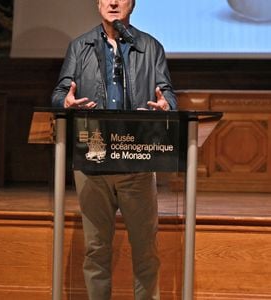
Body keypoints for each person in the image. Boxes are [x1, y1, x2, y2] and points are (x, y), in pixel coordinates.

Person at [51, 0, 177, 299]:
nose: (113, 2)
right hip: (93, 162)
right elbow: (59, 93)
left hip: (136, 162)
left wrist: (166, 106)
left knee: (146, 251)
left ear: (132, 4)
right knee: (96, 251)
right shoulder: (80, 46)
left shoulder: (150, 47)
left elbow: (168, 94)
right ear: (97, 3)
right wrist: (64, 102)